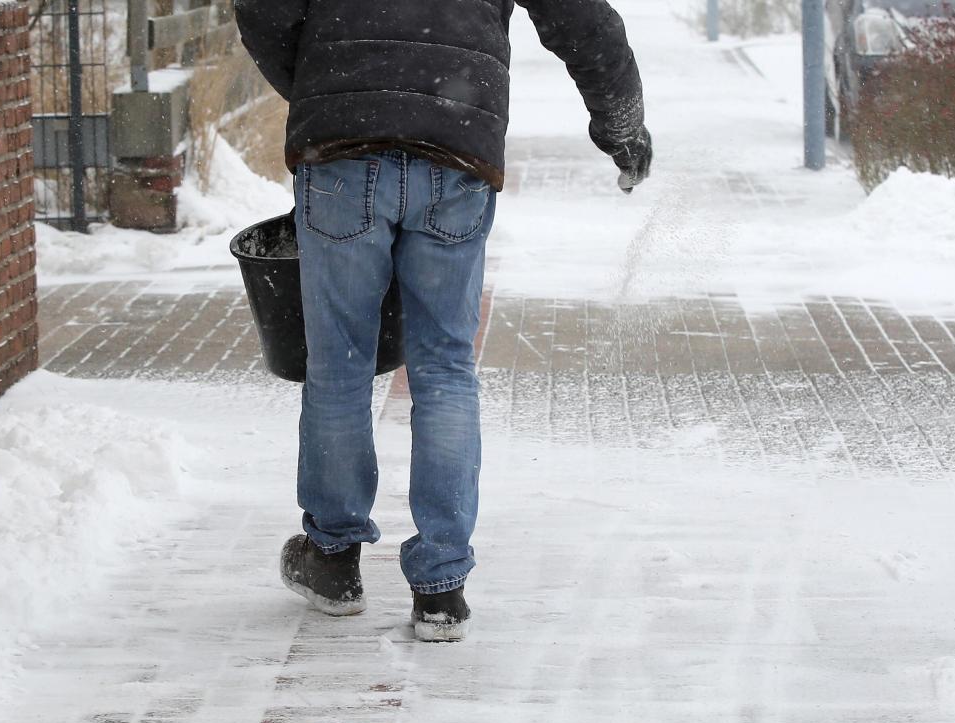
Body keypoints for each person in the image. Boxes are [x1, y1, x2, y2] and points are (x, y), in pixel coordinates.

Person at [234, 0, 652, 642]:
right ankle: (441, 588)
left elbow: (264, 9)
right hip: (454, 148)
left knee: (339, 361)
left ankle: (334, 560)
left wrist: (327, 84)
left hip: (342, 150)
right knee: (446, 368)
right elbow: (586, 24)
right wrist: (622, 130)